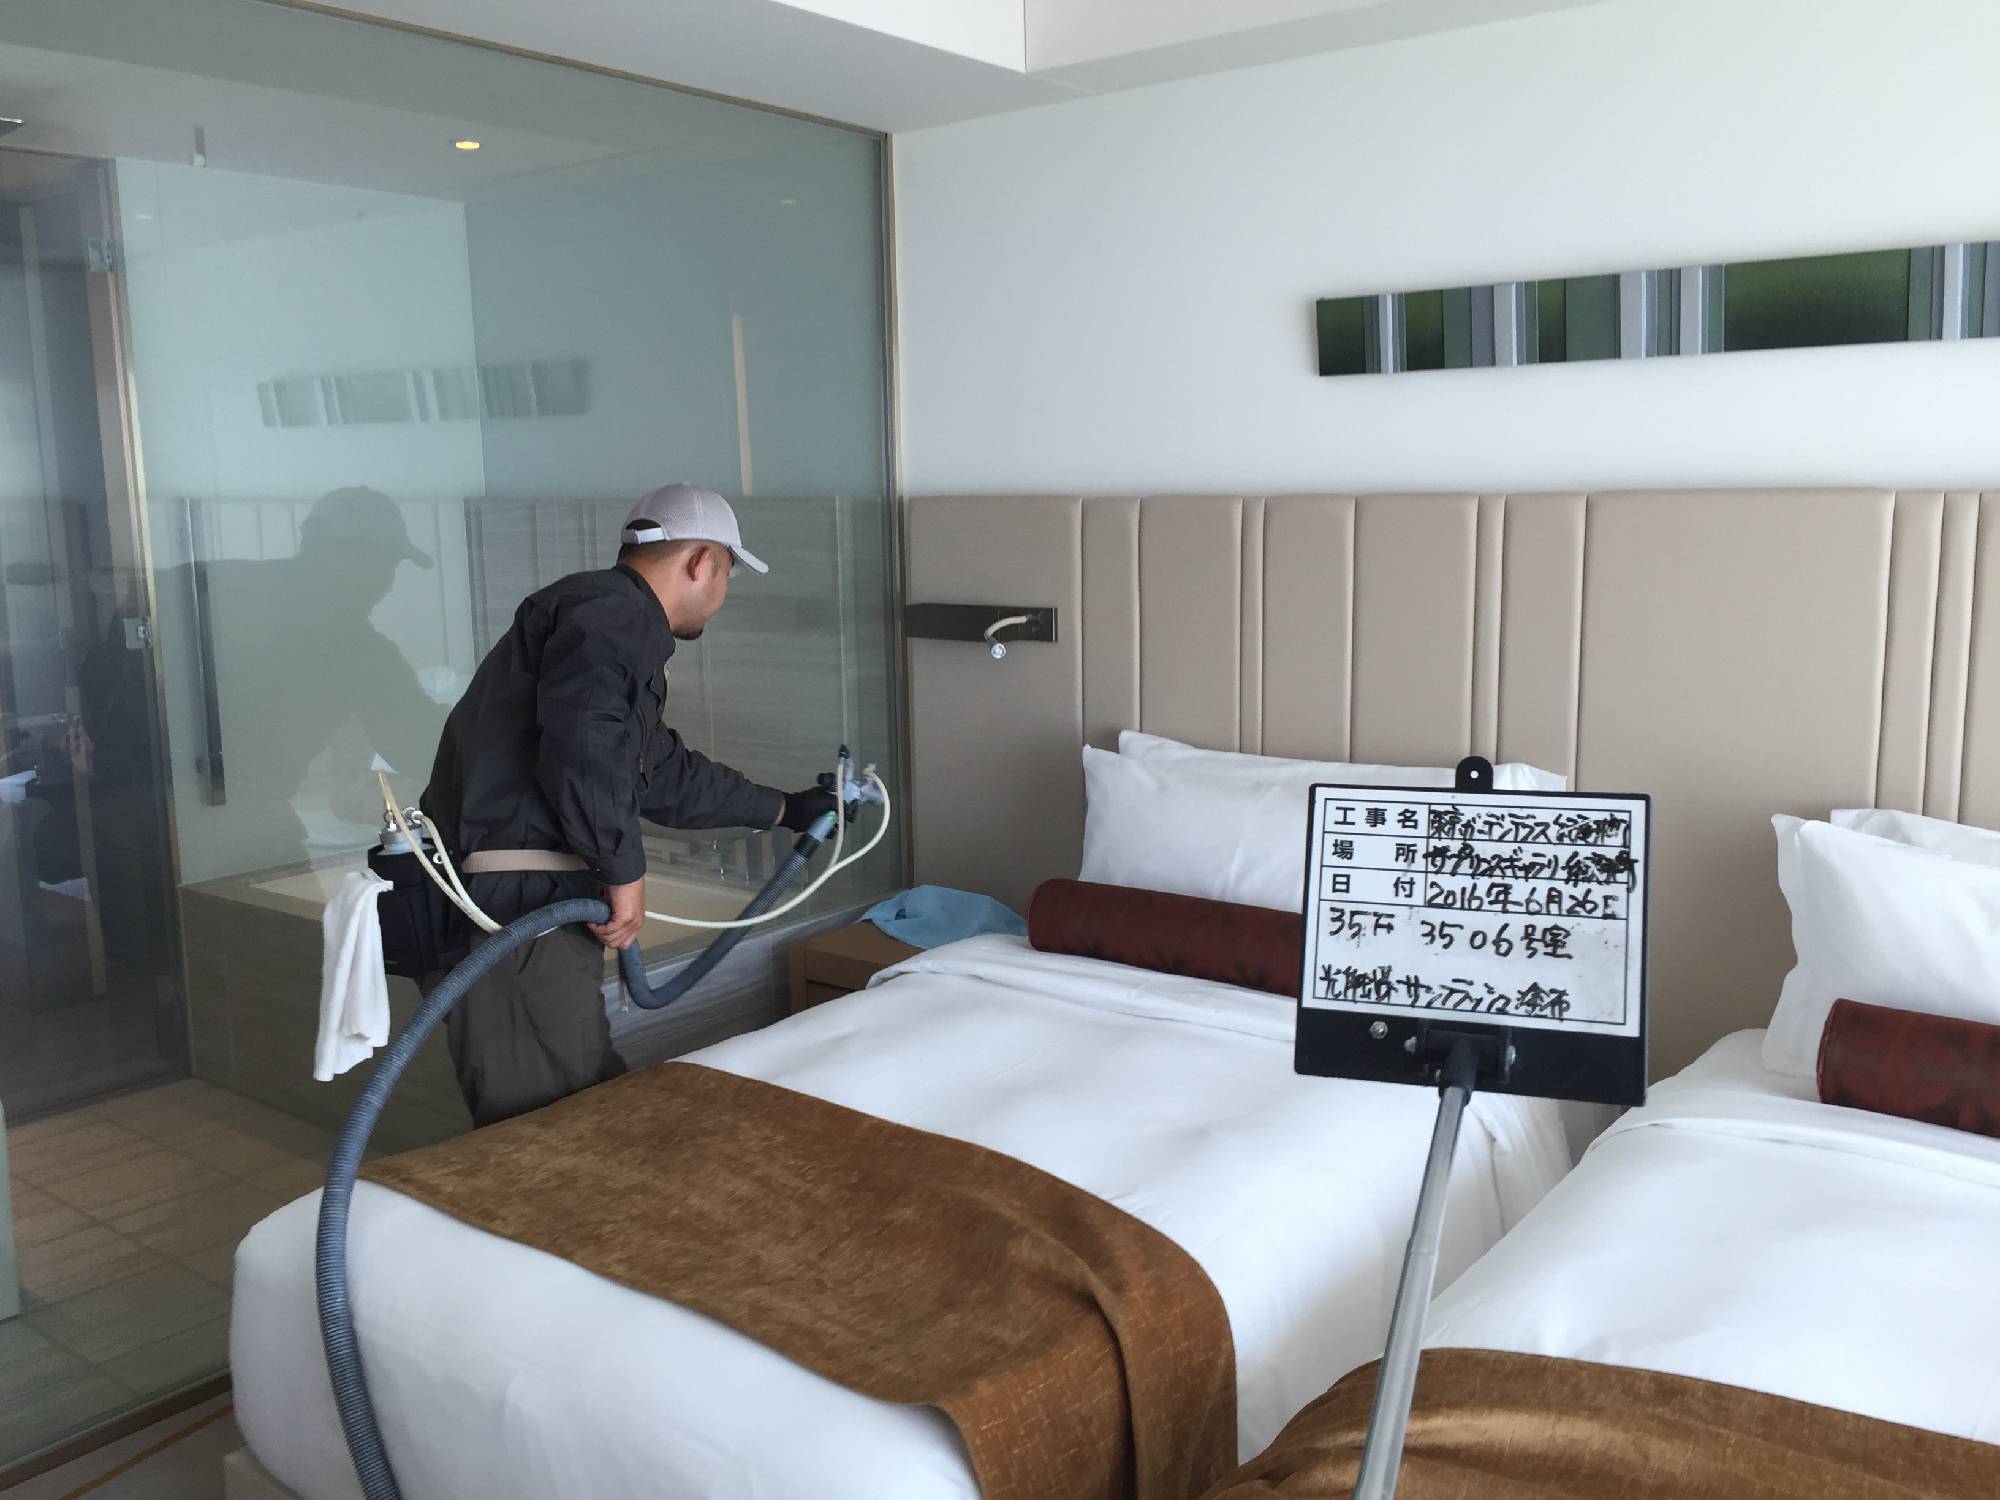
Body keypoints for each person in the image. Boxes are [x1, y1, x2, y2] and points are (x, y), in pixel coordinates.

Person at [419, 483, 839, 1127]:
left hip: (526, 902)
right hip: (513, 908)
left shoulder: (602, 623)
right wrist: (624, 870)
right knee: (546, 1123)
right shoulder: (613, 616)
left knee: (583, 1099)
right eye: (726, 574)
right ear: (701, 561)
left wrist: (785, 809)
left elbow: (657, 771)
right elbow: (585, 746)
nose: (722, 594)